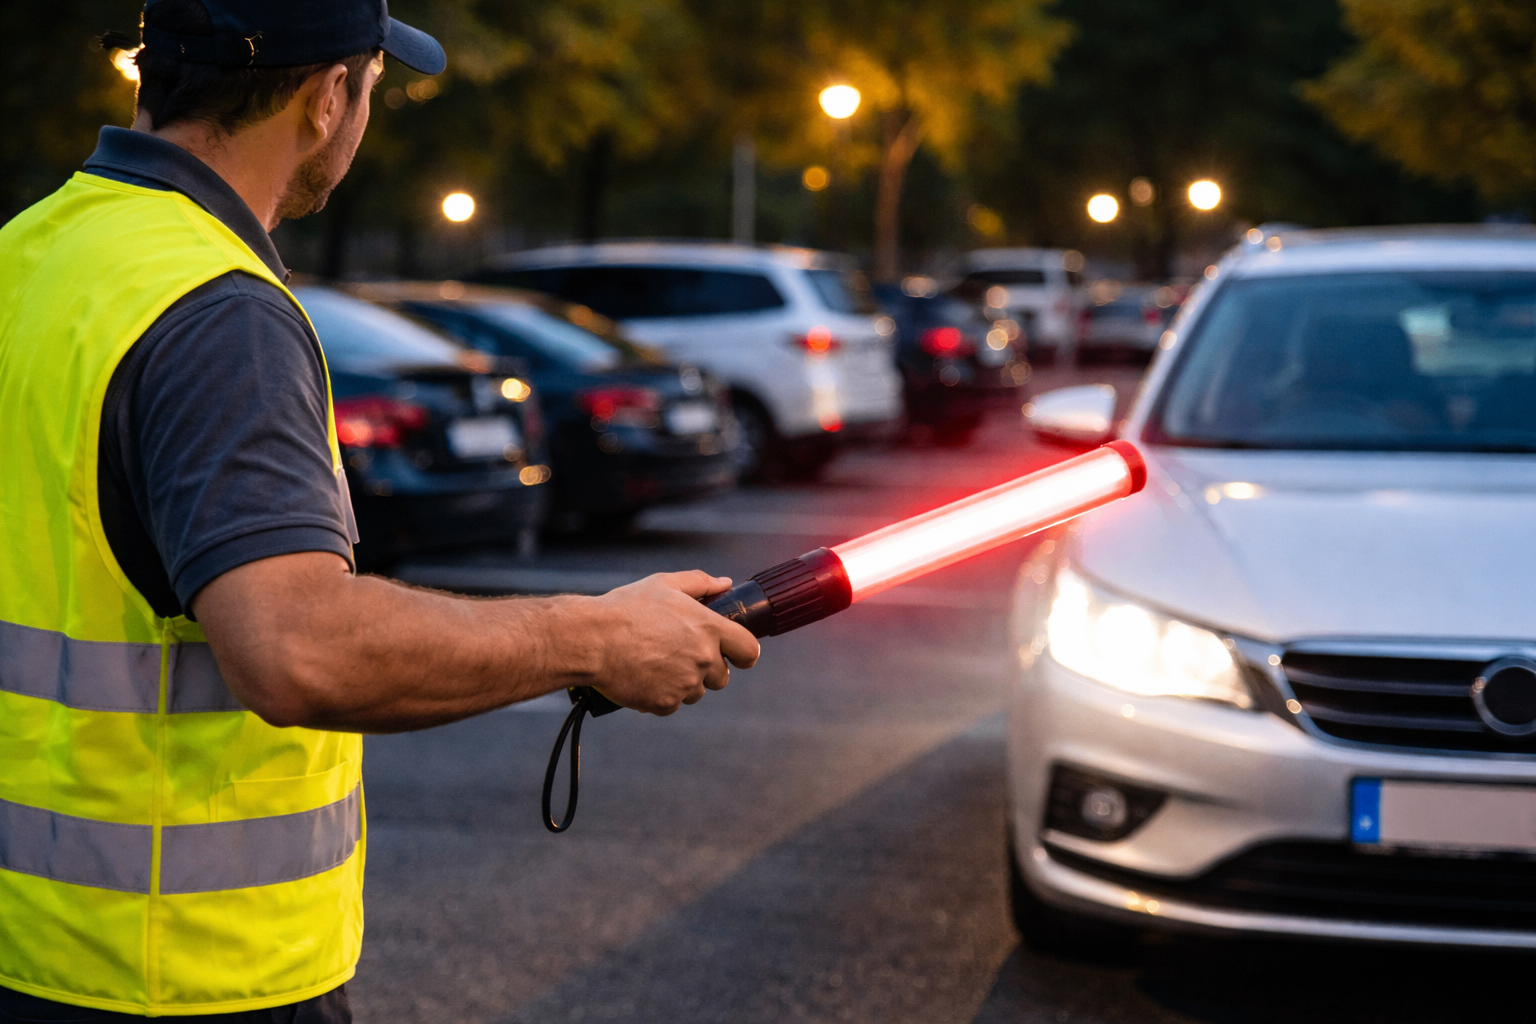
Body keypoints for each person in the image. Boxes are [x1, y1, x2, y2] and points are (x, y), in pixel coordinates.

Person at [0, 0, 758, 1020]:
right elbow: (298, 647)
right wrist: (593, 635)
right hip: (174, 969)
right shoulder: (216, 312)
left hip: (33, 940)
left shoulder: (33, 250)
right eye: (373, 88)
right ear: (325, 100)